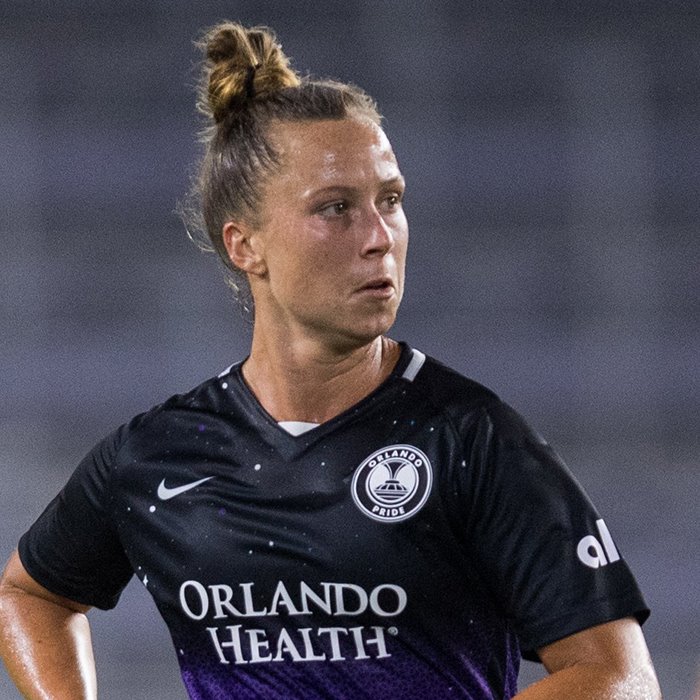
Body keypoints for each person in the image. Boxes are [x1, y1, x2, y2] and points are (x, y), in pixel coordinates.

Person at [0, 21, 660, 700]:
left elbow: (620, 678)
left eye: (390, 201)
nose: (379, 237)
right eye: (336, 208)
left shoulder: (471, 439)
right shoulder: (158, 454)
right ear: (245, 245)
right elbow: (29, 594)